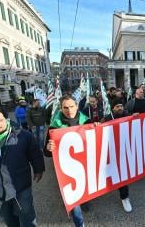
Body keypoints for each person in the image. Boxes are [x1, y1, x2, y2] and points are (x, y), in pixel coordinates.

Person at [0, 110, 45, 226]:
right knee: (9, 219)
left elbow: (34, 153)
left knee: (27, 214)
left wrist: (38, 169)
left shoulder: (23, 135)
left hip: (20, 186)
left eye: (0, 120)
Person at [45, 95, 90, 227]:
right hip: (67, 169)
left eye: (71, 106)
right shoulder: (54, 126)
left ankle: (86, 201)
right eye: (65, 107)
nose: (69, 110)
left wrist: (97, 127)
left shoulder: (87, 121)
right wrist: (48, 148)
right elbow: (46, 152)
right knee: (73, 199)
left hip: (85, 163)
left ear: (77, 106)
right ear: (61, 108)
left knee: (86, 187)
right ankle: (79, 223)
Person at [103, 98, 133, 213]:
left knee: (122, 175)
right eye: (117, 106)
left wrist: (136, 117)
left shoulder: (127, 115)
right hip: (110, 152)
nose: (120, 108)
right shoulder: (106, 119)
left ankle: (124, 198)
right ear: (112, 108)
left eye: (121, 106)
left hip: (124, 151)